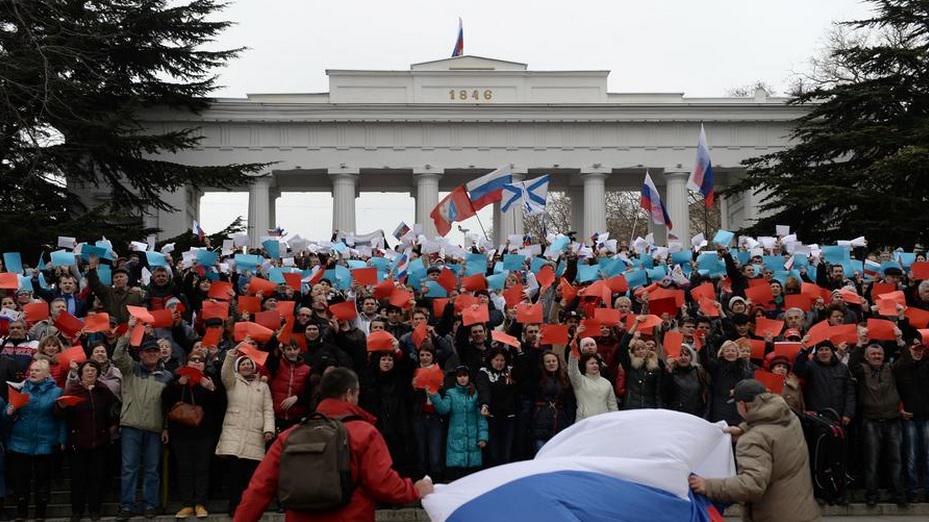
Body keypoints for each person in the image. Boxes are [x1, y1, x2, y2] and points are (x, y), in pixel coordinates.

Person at [234, 367, 434, 522]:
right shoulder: (364, 432)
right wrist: (415, 489)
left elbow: (258, 489)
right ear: (349, 394)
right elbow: (384, 485)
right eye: (357, 394)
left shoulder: (289, 436)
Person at [689, 379, 820, 522]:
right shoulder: (789, 417)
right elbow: (769, 425)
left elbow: (752, 486)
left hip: (774, 515)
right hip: (803, 511)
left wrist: (708, 486)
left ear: (742, 405)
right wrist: (744, 429)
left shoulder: (753, 439)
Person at [112, 325, 172, 521]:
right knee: (129, 468)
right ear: (141, 354)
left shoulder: (167, 377)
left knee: (152, 470)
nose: (152, 354)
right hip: (131, 426)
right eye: (148, 351)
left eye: (155, 351)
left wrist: (165, 427)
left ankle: (150, 505)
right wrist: (128, 332)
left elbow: (169, 407)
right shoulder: (131, 369)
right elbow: (118, 356)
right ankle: (127, 505)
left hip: (155, 429)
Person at [216, 344, 275, 516]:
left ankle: (248, 510)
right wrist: (234, 352)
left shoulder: (263, 386)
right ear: (238, 367)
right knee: (235, 478)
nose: (247, 366)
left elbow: (268, 409)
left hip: (256, 437)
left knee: (251, 478)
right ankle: (234, 509)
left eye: (249, 364)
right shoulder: (232, 383)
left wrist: (268, 429)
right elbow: (225, 371)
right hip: (234, 436)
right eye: (243, 364)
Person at [4, 359, 65, 522]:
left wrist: (62, 438)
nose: (32, 372)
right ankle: (21, 512)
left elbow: (61, 419)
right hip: (20, 441)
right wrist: (8, 411)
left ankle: (40, 513)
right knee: (20, 480)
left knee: (43, 480)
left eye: (37, 370)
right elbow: (7, 415)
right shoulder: (20, 389)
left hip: (46, 442)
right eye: (31, 370)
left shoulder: (57, 392)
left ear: (47, 374)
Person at [162, 350, 221, 519]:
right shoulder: (177, 378)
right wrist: (179, 385)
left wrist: (211, 389)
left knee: (203, 468)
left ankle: (201, 503)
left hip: (205, 434)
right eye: (193, 360)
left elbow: (221, 406)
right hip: (181, 434)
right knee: (184, 469)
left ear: (204, 364)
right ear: (186, 363)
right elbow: (165, 401)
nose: (196, 363)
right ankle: (187, 504)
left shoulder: (210, 379)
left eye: (200, 360)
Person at [58, 360, 117, 522]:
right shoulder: (73, 390)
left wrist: (112, 425)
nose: (90, 372)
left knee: (97, 478)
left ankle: (95, 510)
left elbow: (114, 409)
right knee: (78, 479)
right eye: (87, 370)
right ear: (81, 373)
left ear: (98, 373)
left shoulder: (103, 390)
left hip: (100, 442)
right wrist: (61, 406)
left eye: (93, 370)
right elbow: (60, 414)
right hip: (77, 443)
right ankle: (76, 511)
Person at [429, 366, 488, 481]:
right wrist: (434, 396)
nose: (462, 378)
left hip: (473, 442)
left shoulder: (475, 393)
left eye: (464, 375)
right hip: (456, 442)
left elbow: (481, 417)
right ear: (456, 378)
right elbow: (443, 409)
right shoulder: (450, 393)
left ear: (469, 377)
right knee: (457, 479)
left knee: (472, 481)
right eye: (459, 376)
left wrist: (483, 437)